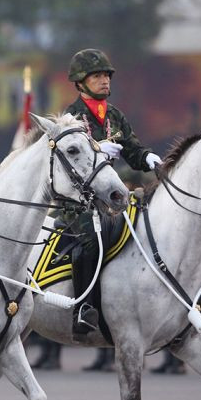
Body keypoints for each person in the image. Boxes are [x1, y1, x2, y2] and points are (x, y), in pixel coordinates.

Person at [63, 48, 162, 334]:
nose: (105, 80)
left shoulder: (114, 116)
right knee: (91, 241)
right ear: (80, 82)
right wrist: (96, 149)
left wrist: (150, 159)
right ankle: (82, 308)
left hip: (110, 197)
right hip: (78, 200)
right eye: (97, 75)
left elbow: (132, 149)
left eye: (106, 75)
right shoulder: (71, 117)